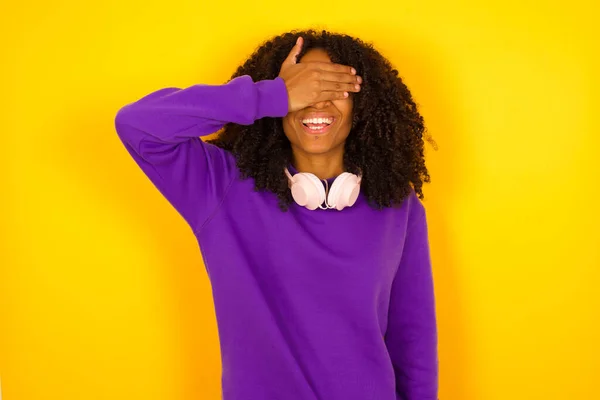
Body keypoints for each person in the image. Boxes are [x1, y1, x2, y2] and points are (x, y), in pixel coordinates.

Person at [115, 29, 438, 400]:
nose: (317, 103)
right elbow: (137, 125)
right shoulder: (220, 187)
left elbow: (413, 340)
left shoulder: (398, 205)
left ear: (362, 105)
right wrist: (270, 95)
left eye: (334, 88)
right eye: (305, 87)